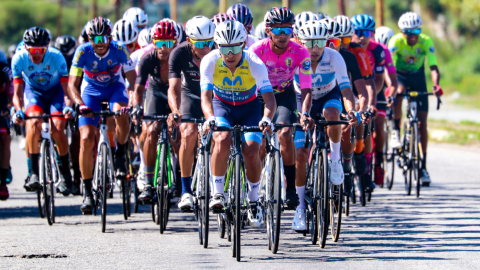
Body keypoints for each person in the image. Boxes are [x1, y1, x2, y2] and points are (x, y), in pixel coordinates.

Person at [201, 20, 276, 227]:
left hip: (250, 109)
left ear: (244, 44)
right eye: (225, 48)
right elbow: (206, 97)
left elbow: (270, 100)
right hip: (221, 107)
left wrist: (266, 119)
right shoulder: (209, 61)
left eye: (235, 47)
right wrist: (209, 118)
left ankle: (253, 200)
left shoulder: (254, 62)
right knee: (222, 139)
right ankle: (217, 193)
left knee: (252, 150)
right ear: (218, 46)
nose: (230, 53)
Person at [292, 20, 358, 231]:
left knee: (333, 114)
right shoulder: (295, 57)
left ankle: (336, 160)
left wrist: (351, 110)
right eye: (309, 43)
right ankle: (300, 207)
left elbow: (346, 89)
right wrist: (302, 114)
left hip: (329, 95)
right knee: (301, 155)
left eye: (320, 41)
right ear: (300, 41)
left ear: (327, 41)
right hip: (300, 98)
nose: (315, 48)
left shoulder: (334, 57)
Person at [67, 17, 136, 214]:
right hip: (91, 91)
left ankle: (121, 153)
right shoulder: (82, 51)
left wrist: (130, 101)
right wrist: (80, 105)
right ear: (89, 38)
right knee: (87, 137)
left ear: (110, 37)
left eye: (103, 38)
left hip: (115, 88)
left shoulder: (120, 48)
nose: (99, 43)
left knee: (121, 115)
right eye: (94, 39)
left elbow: (131, 77)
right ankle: (87, 191)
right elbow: (72, 84)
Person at [249, 7, 312, 210]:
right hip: (259, 95)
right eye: (278, 30)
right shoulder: (256, 51)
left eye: (288, 29)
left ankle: (291, 188)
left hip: (285, 94)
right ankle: (253, 192)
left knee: (285, 133)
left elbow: (306, 87)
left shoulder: (300, 51)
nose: (283, 35)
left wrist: (305, 113)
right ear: (268, 31)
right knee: (257, 144)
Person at [11, 27, 74, 195]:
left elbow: (67, 90)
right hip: (34, 94)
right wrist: (18, 111)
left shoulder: (56, 56)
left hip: (56, 93)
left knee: (58, 127)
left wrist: (68, 106)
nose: (37, 54)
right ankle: (33, 174)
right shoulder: (19, 59)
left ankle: (66, 175)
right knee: (33, 122)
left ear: (47, 48)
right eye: (33, 50)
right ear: (25, 48)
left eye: (41, 50)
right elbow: (17, 93)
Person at [389, 12, 442, 185]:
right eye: (408, 32)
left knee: (422, 124)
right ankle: (396, 130)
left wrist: (436, 85)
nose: (412, 36)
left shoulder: (426, 41)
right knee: (399, 91)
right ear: (401, 31)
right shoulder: (395, 42)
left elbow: (433, 66)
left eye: (416, 31)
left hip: (418, 77)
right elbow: (389, 69)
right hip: (400, 76)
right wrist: (392, 86)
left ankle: (423, 167)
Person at [168, 16, 215, 210]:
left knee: (220, 135)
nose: (206, 48)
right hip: (190, 95)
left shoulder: (218, 52)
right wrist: (176, 111)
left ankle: (219, 185)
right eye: (200, 44)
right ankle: (186, 191)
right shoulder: (179, 53)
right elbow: (173, 89)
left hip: (213, 96)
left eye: (209, 43)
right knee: (187, 133)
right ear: (189, 41)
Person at [131, 20, 179, 202]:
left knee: (180, 134)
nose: (163, 48)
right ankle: (149, 183)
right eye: (159, 43)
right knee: (150, 131)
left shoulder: (179, 57)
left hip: (176, 92)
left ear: (175, 43)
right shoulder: (147, 59)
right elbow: (138, 89)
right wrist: (136, 107)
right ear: (153, 42)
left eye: (168, 43)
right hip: (155, 93)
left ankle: (180, 181)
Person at [321, 17, 369, 194]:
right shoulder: (313, 55)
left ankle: (347, 167)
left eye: (336, 42)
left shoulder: (347, 56)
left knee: (347, 128)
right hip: (319, 99)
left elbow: (361, 89)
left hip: (342, 97)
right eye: (326, 42)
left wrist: (360, 110)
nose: (331, 47)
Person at [335, 15, 376, 188]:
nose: (343, 43)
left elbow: (367, 82)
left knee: (361, 117)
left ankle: (360, 160)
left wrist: (368, 105)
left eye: (346, 38)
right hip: (331, 95)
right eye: (338, 40)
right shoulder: (326, 52)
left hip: (350, 93)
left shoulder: (357, 52)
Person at [351, 14, 386, 190]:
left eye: (367, 32)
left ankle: (365, 171)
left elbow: (378, 79)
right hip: (348, 90)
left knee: (369, 123)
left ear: (372, 33)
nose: (363, 36)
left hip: (371, 88)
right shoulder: (349, 49)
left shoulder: (378, 50)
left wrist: (370, 102)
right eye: (358, 32)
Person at [0, 60, 13, 200]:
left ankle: (3, 183)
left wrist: (9, 107)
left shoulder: (4, 68)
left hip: (2, 104)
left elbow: (13, 92)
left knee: (4, 138)